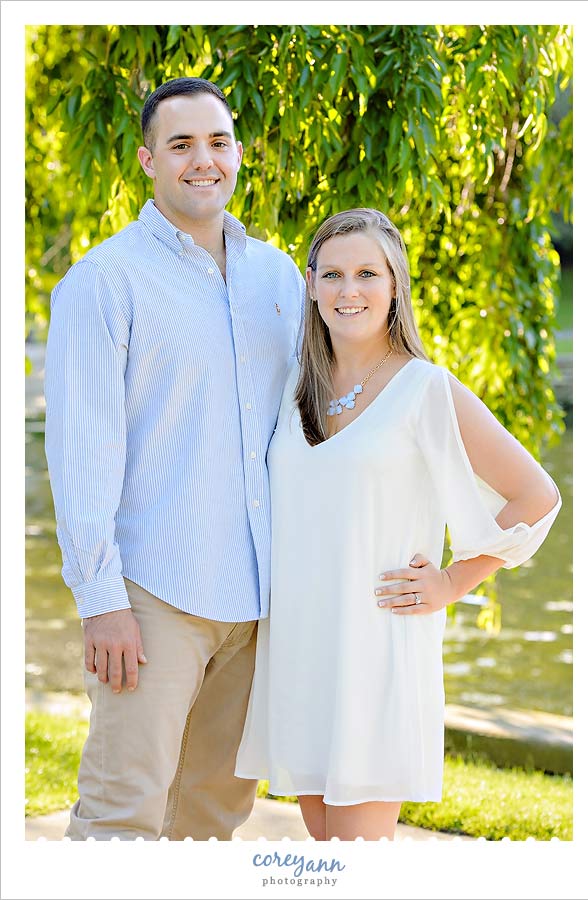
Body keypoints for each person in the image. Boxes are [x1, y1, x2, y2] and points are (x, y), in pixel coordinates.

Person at [234, 208, 562, 841]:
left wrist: (452, 582)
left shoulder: (426, 390)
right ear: (310, 284)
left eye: (366, 273)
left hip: (376, 650)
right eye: (331, 274)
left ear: (394, 286)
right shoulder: (295, 384)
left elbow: (535, 494)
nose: (348, 291)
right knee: (323, 862)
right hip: (302, 649)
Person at [44, 77, 304, 840]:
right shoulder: (103, 282)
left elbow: (307, 422)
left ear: (239, 154)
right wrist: (101, 600)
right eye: (182, 145)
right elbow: (83, 447)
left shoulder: (279, 277)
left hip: (258, 600)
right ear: (148, 160)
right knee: (122, 813)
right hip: (154, 593)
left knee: (214, 815)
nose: (203, 160)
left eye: (217, 142)